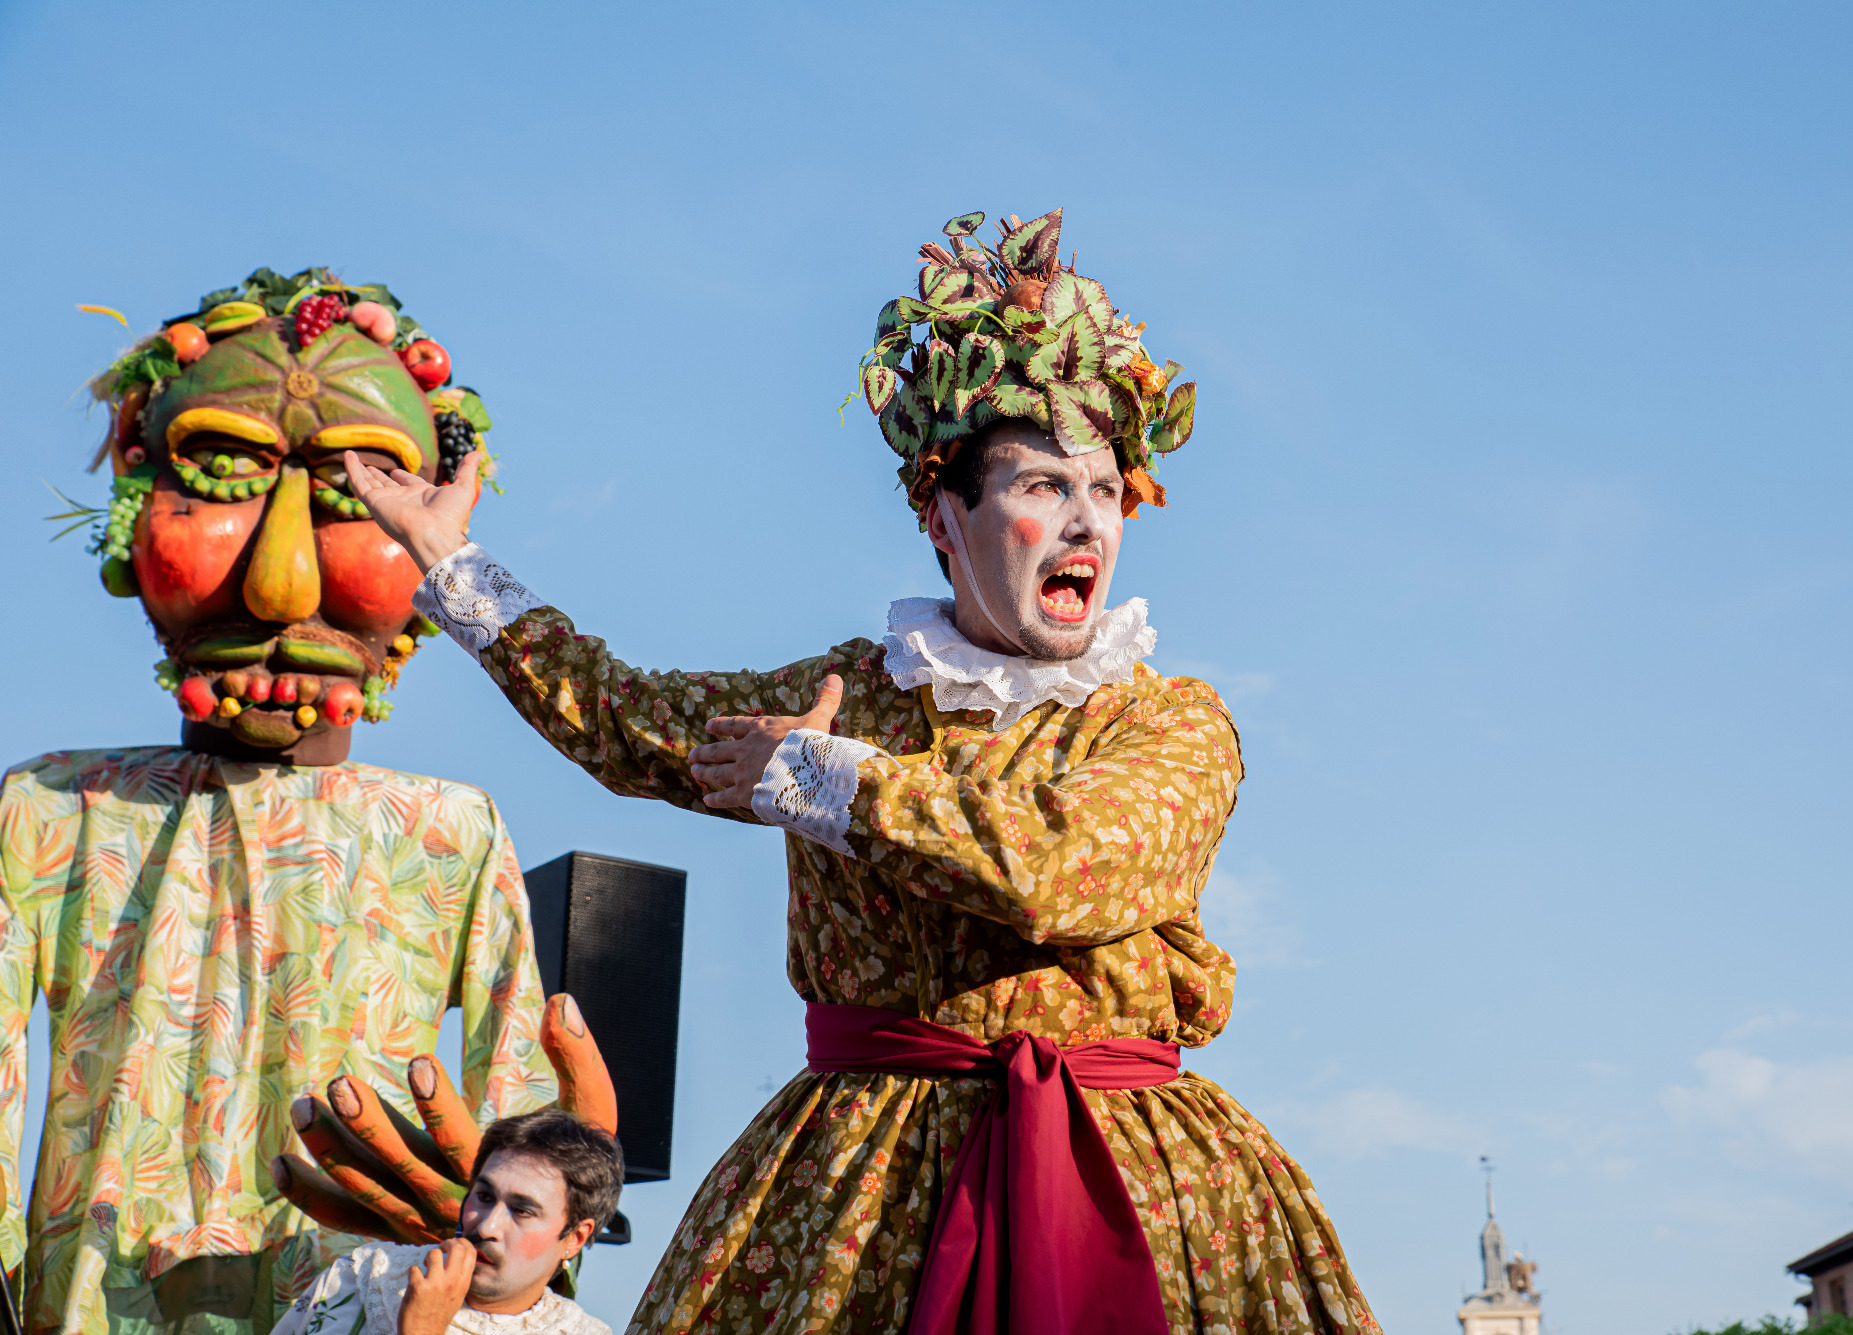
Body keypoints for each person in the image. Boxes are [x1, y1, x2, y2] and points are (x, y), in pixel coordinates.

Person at [350, 210, 1380, 1335]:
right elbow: (624, 719)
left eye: (1105, 491)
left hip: (1128, 1170)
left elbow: (1067, 870)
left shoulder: (1168, 719)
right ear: (945, 518)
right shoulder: (859, 691)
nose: (1085, 521)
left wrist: (835, 784)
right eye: (1042, 486)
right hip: (863, 1182)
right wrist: (448, 559)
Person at [2, 269, 554, 1335]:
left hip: (369, 1303)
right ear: (134, 485)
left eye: (353, 494)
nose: (282, 580)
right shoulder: (55, 809)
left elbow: (521, 1115)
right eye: (223, 476)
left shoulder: (451, 833)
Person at [270, 1109, 620, 1335]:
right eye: (484, 1196)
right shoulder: (362, 1277)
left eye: (522, 1211)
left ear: (574, 1238)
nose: (486, 1227)